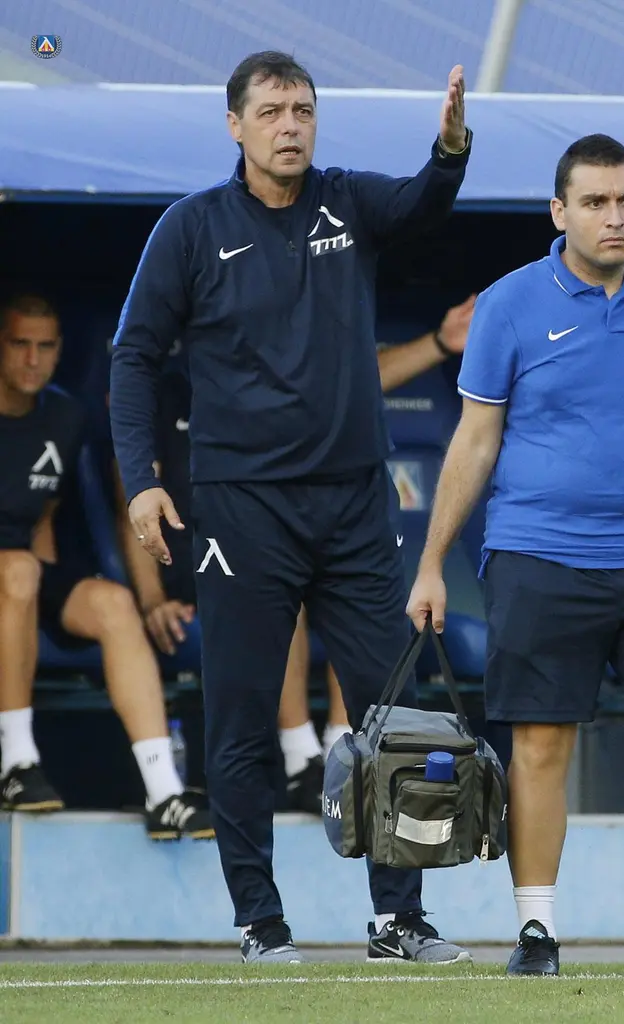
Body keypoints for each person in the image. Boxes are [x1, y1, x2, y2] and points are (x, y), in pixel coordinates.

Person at [109, 51, 474, 965]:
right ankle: (259, 922)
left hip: (354, 505)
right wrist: (143, 479)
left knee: (393, 717)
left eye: (303, 110)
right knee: (241, 719)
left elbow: (422, 206)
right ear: (235, 125)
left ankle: (398, 920)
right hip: (241, 509)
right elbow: (133, 357)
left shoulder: (346, 201)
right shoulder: (191, 227)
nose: (290, 126)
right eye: (271, 111)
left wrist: (449, 151)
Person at [406, 134, 624, 978]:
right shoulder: (510, 304)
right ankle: (537, 931)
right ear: (560, 212)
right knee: (542, 745)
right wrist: (432, 562)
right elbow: (474, 441)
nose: (614, 215)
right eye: (595, 202)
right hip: (538, 550)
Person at [118, 298, 477, 814]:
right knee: (279, 581)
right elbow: (131, 503)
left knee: (349, 576)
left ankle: (340, 750)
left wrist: (440, 343)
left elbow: (356, 382)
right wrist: (152, 598)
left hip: (283, 552)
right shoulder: (166, 393)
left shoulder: (277, 381)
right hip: (203, 566)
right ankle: (299, 758)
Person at [0, 292, 213, 840]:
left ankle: (164, 792)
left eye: (45, 346)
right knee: (18, 572)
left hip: (22, 572)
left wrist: (39, 595)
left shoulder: (65, 416)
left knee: (113, 604)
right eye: (19, 344)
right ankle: (17, 764)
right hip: (10, 572)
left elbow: (42, 517)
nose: (33, 359)